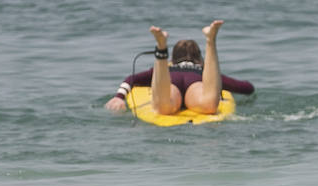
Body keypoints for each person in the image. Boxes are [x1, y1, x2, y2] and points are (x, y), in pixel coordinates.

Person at [104, 21, 254, 116]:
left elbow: (131, 79)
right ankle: (211, 41)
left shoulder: (170, 69)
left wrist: (119, 97)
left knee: (163, 108)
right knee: (209, 106)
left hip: (171, 79)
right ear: (200, 60)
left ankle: (161, 49)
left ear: (173, 59)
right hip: (197, 80)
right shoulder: (204, 72)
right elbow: (246, 88)